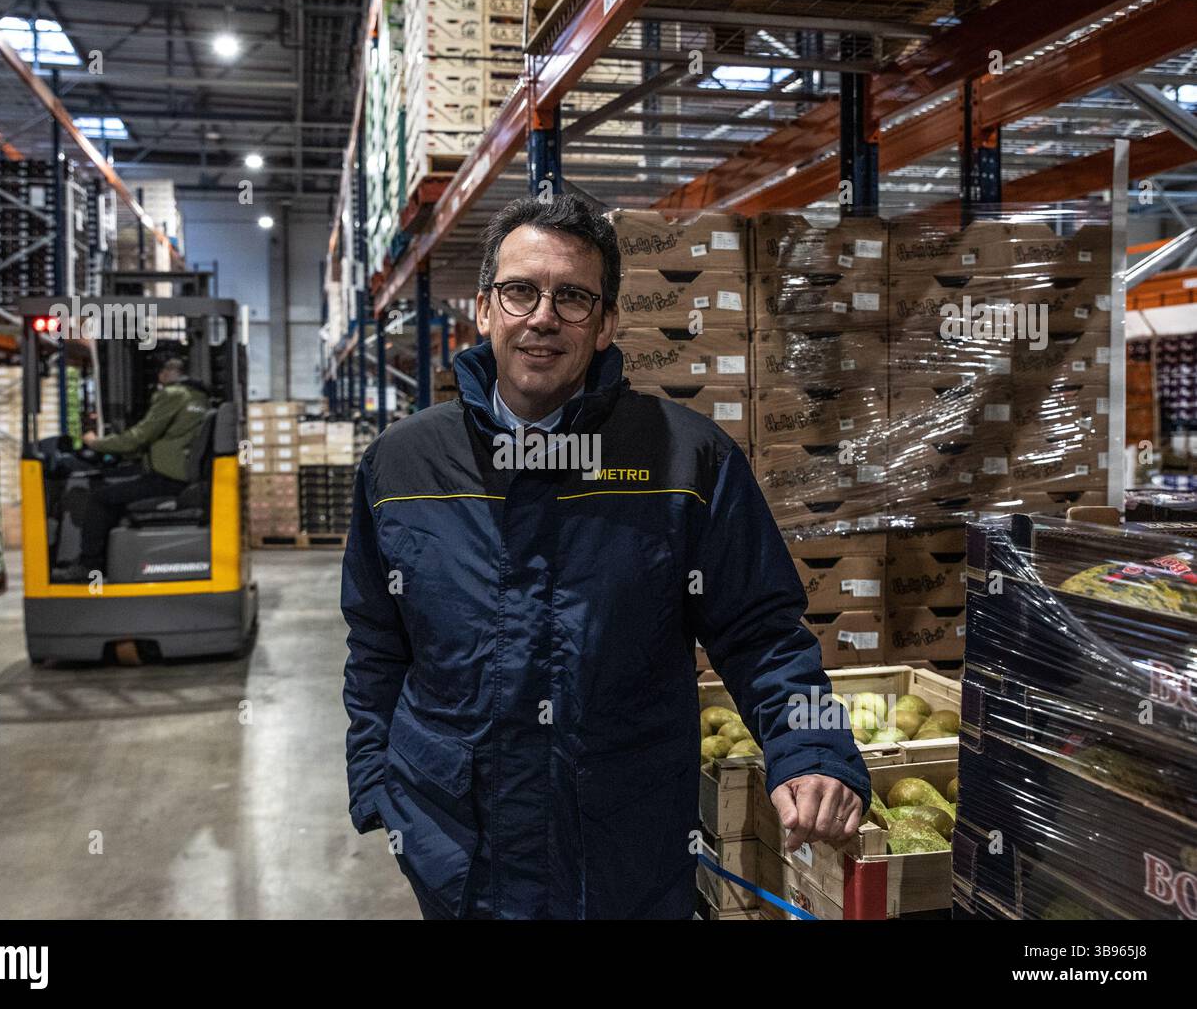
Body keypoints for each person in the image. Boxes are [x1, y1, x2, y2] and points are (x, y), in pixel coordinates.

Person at [341, 195, 871, 920]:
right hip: (456, 852)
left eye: (573, 297)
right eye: (520, 291)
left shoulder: (686, 459)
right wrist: (376, 783)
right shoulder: (401, 467)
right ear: (487, 309)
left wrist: (811, 747)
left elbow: (761, 632)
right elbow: (376, 645)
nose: (543, 316)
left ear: (608, 323)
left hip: (627, 850)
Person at [58, 357, 209, 579]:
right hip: (180, 473)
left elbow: (139, 436)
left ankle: (90, 566)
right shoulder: (200, 397)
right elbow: (164, 439)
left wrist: (95, 443)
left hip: (167, 477)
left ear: (165, 374)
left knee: (100, 498)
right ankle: (109, 559)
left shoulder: (173, 395)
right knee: (119, 492)